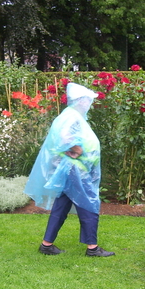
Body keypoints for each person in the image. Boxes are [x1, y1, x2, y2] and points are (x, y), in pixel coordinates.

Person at [24, 82, 115, 257]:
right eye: (88, 100)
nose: (90, 104)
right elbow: (64, 137)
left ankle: (46, 245)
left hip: (72, 168)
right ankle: (92, 248)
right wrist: (77, 150)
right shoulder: (71, 116)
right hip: (76, 169)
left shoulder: (72, 115)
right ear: (81, 101)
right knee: (89, 201)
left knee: (62, 204)